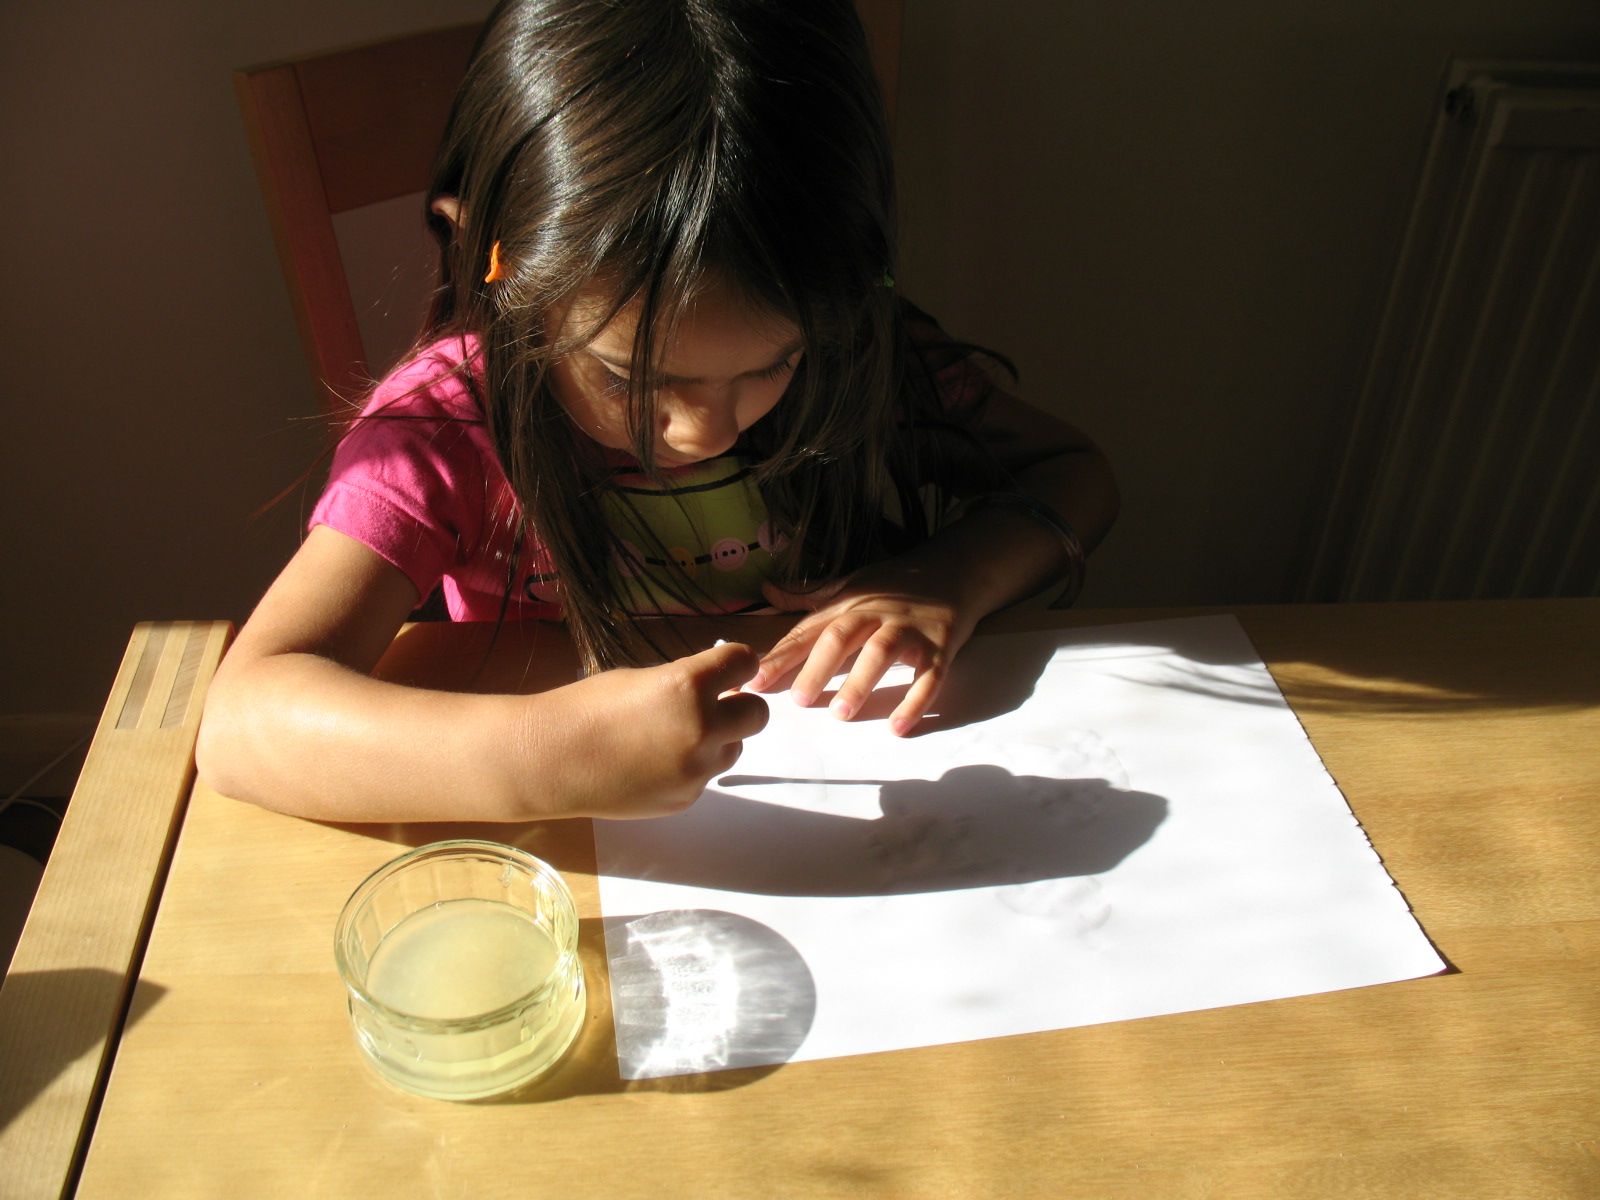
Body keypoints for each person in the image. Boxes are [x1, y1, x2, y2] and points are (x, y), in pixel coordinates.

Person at [196, 0, 1119, 824]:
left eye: (774, 366)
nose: (704, 431)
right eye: (629, 377)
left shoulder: (856, 342)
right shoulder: (448, 429)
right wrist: (544, 758)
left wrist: (946, 576)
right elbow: (243, 723)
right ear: (500, 263)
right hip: (573, 864)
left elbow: (1071, 474)